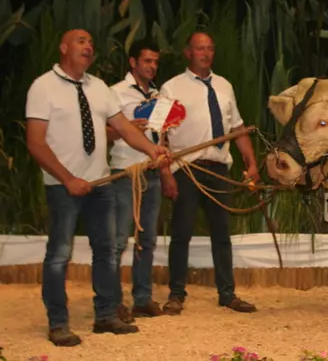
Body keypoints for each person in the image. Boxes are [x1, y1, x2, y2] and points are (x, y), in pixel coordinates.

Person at [25, 29, 171, 347]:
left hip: (101, 183)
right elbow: (35, 142)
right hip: (62, 186)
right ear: (63, 47)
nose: (89, 46)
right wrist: (67, 179)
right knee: (59, 255)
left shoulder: (99, 87)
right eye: (81, 41)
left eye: (92, 42)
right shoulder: (43, 87)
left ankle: (106, 315)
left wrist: (151, 150)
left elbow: (123, 129)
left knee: (106, 252)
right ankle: (58, 323)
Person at [158, 31, 260, 315]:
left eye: (210, 49)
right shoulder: (171, 88)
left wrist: (251, 163)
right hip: (186, 170)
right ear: (188, 53)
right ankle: (176, 294)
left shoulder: (225, 86)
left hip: (218, 168)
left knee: (222, 233)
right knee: (181, 233)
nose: (206, 53)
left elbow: (237, 128)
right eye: (200, 49)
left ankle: (227, 294)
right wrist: (166, 173)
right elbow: (159, 135)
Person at [106, 40, 168, 322]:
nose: (152, 66)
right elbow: (100, 132)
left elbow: (162, 133)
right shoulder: (115, 93)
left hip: (152, 171)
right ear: (133, 63)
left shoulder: (158, 95)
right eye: (147, 61)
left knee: (148, 239)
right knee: (119, 240)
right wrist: (125, 129)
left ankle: (142, 299)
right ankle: (112, 303)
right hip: (124, 173)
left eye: (155, 62)